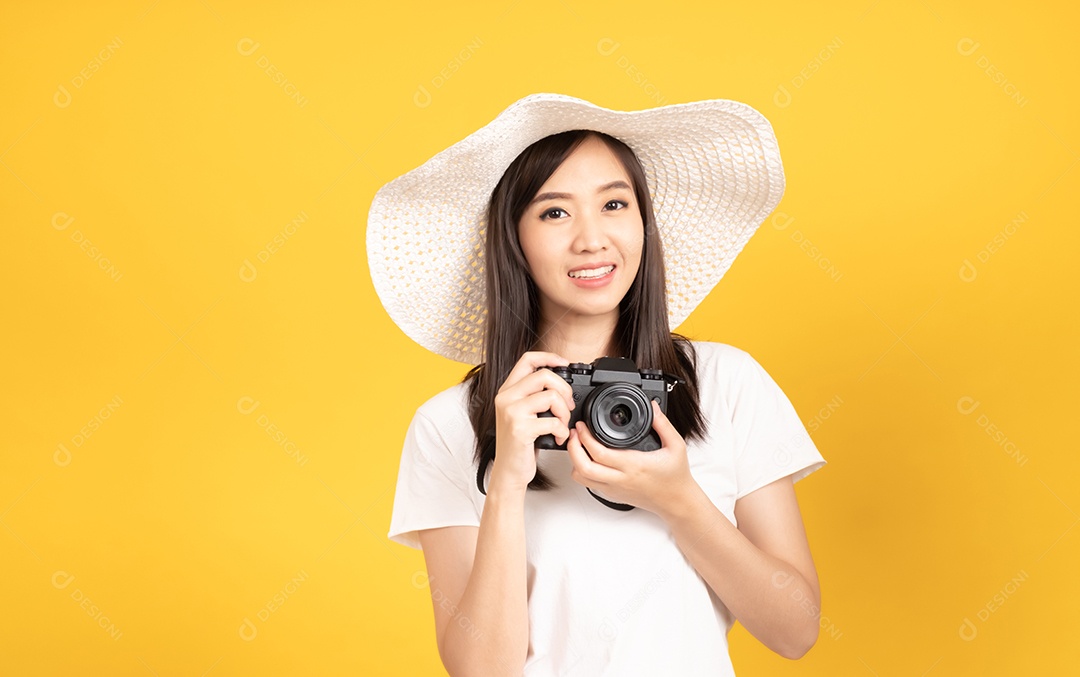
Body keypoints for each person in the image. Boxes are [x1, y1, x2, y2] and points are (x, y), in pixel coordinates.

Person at [369, 93, 827, 676]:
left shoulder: (725, 384)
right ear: (514, 238)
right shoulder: (449, 424)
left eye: (614, 203)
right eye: (554, 212)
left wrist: (679, 502)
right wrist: (507, 481)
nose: (592, 239)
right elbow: (481, 672)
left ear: (643, 222)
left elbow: (796, 631)